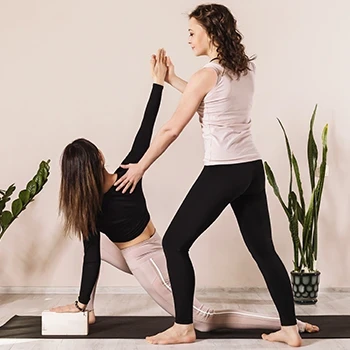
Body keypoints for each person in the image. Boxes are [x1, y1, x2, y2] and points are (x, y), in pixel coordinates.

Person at [114, 4, 316, 347]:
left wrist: (140, 166)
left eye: (192, 32)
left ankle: (183, 326)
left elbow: (171, 129)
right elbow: (208, 97)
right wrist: (171, 79)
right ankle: (290, 329)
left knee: (174, 243)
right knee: (264, 249)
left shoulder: (206, 74)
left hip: (222, 170)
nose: (189, 39)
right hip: (251, 170)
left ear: (210, 32)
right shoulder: (243, 69)